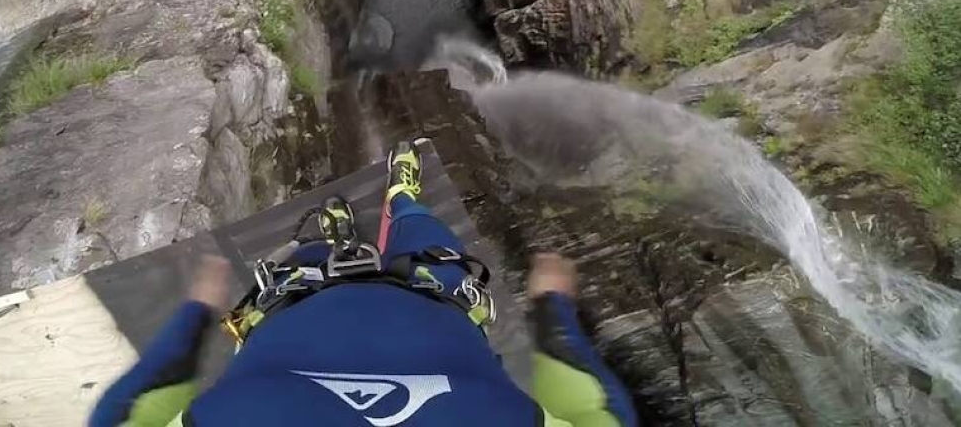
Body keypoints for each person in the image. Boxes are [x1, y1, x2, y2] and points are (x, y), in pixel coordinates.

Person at [91, 143, 638, 427]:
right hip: (427, 293)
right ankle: (400, 197)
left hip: (304, 300)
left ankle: (342, 238)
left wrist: (551, 307)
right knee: (419, 232)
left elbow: (129, 408)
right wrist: (554, 309)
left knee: (313, 258)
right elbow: (598, 411)